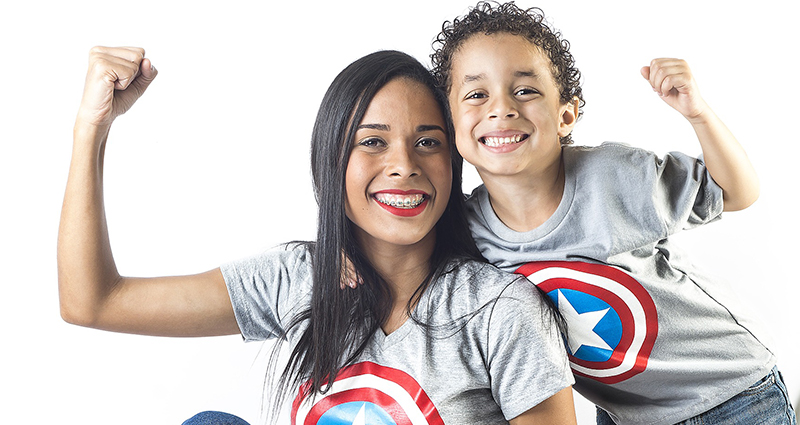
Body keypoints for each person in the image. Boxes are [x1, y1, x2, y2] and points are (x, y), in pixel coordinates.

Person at [58, 46, 578, 423]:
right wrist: (92, 128)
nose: (402, 166)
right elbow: (93, 301)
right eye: (371, 143)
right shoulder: (299, 277)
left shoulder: (499, 309)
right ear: (331, 162)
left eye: (427, 142)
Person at [426, 2, 797, 424]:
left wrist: (698, 114)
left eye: (525, 90)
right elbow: (399, 255)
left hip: (732, 395)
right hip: (627, 417)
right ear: (451, 122)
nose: (502, 108)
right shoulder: (465, 228)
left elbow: (736, 192)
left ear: (566, 114)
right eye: (477, 95)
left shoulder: (614, 176)